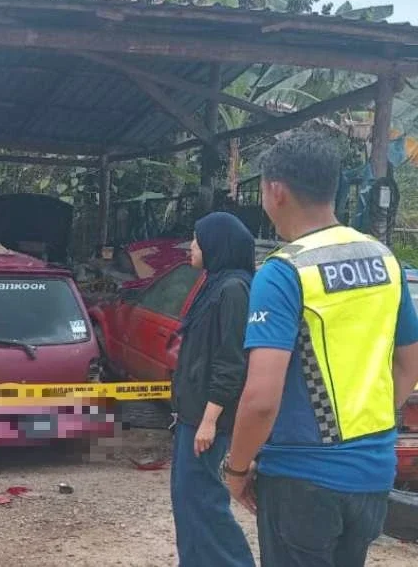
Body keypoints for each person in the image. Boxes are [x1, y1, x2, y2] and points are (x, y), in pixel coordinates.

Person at [223, 131, 418, 567]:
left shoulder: (283, 271)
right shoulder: (384, 260)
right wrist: (369, 428)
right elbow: (410, 362)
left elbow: (259, 401)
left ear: (275, 191)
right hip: (372, 473)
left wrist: (235, 470)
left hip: (302, 479)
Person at [170, 211, 256, 567]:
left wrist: (209, 420)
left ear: (216, 244)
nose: (192, 246)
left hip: (209, 421)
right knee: (187, 501)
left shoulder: (234, 289)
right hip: (191, 416)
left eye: (197, 238)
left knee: (205, 502)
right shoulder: (214, 283)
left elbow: (230, 361)